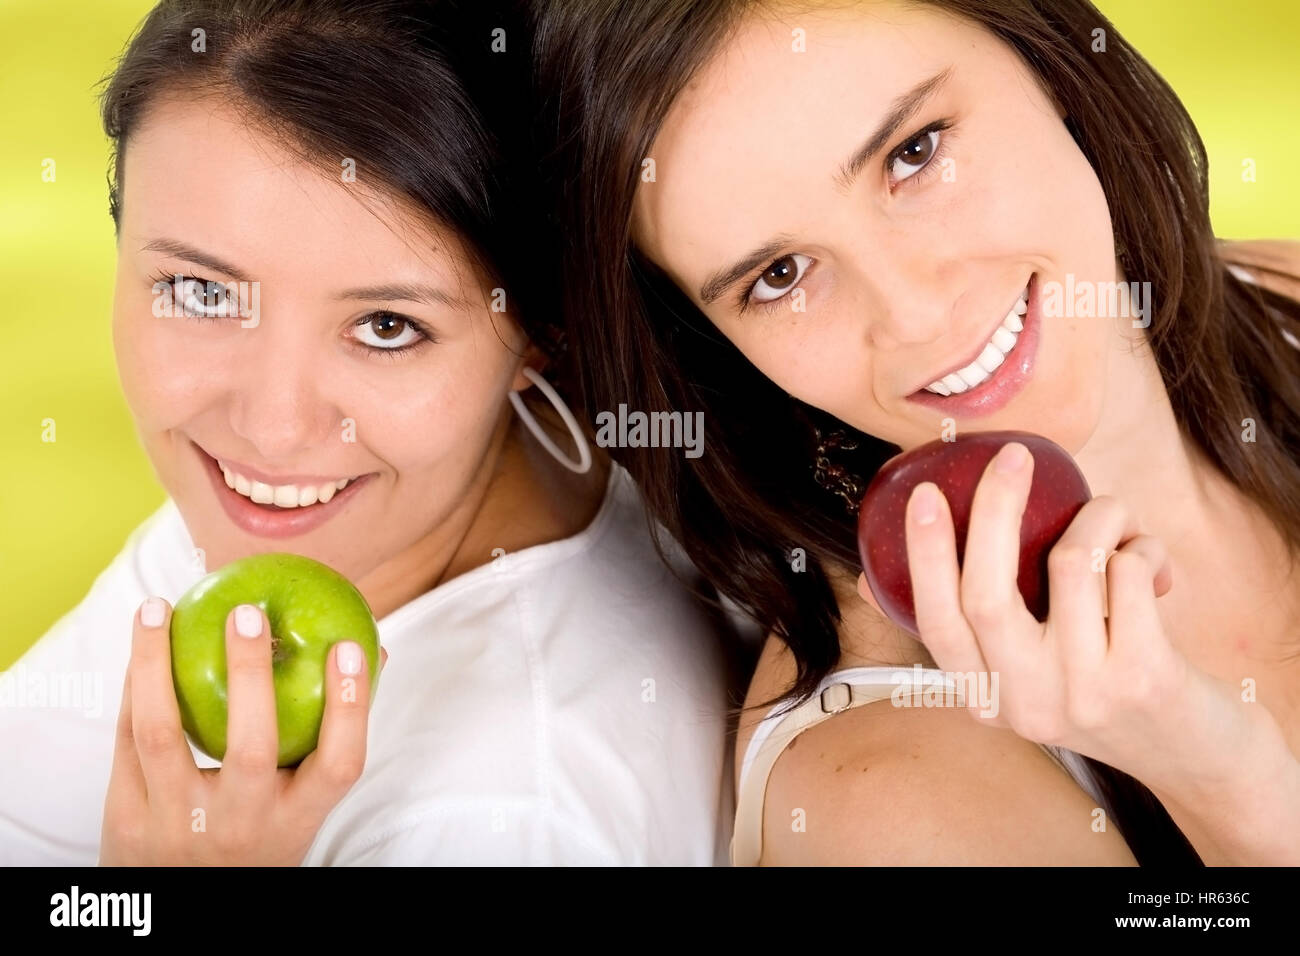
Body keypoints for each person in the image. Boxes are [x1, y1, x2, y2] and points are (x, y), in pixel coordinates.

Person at [530, 0, 1300, 864]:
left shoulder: (1281, 289)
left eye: (915, 153)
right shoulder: (890, 793)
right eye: (780, 276)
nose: (916, 314)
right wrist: (1229, 789)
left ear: (1045, 56)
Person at [0, 0, 738, 866]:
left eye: (388, 326)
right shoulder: (354, 520)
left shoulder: (514, 816)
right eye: (201, 292)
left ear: (543, 331)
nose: (271, 430)